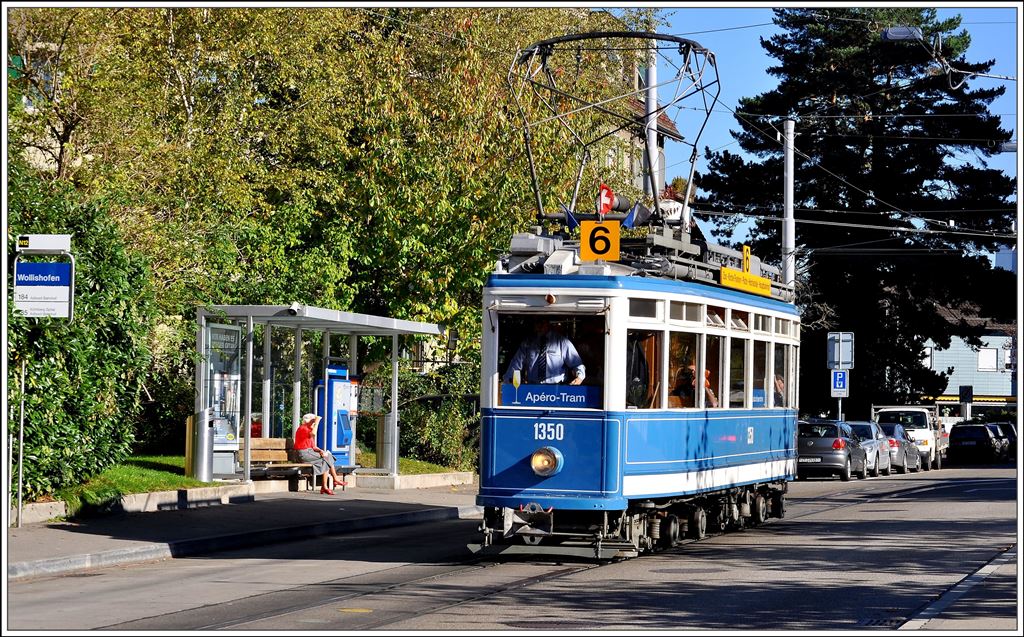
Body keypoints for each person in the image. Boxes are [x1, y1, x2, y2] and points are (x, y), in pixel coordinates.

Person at [503, 319, 585, 385]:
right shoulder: (528, 343)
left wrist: (579, 377)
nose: (539, 325)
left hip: (556, 388)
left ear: (548, 323)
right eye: (537, 322)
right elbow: (516, 364)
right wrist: (508, 380)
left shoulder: (562, 342)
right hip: (533, 388)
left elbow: (576, 363)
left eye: (542, 322)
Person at [293, 413, 345, 495]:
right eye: (313, 422)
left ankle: (326, 486)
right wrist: (317, 421)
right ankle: (334, 480)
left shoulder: (308, 429)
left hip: (309, 452)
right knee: (327, 458)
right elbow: (314, 434)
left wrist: (321, 451)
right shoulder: (303, 428)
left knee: (326, 459)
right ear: (309, 421)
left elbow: (313, 446)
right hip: (303, 454)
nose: (314, 424)